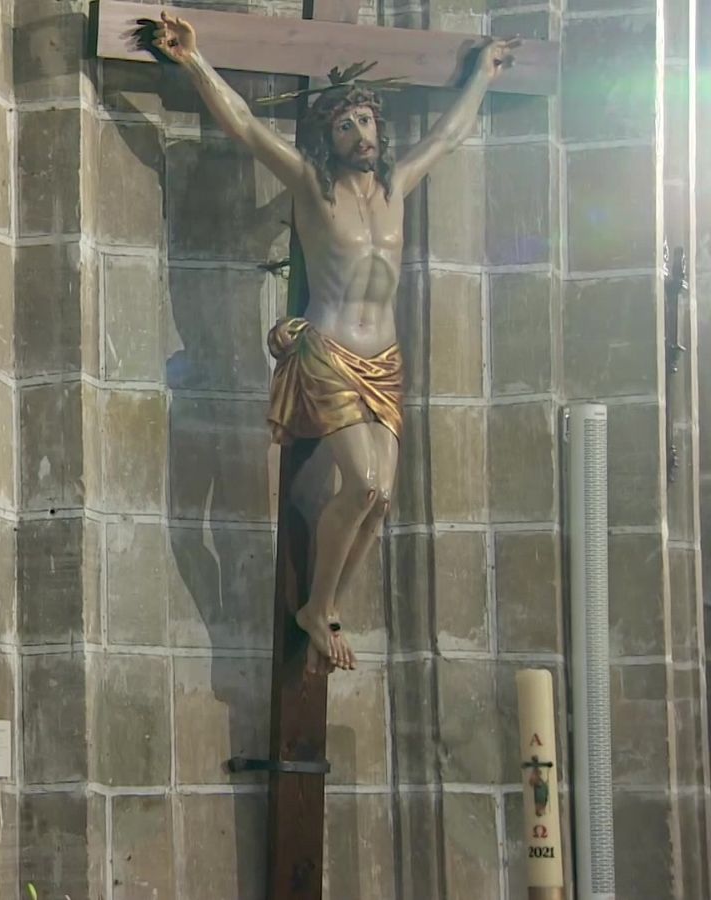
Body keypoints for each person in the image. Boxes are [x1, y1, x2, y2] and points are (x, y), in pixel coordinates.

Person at [144, 13, 518, 674]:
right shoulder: (312, 190)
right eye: (344, 126)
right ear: (329, 138)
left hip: (386, 361)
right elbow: (245, 127)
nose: (358, 134)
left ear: (378, 127)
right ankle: (315, 607)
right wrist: (195, 63)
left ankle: (326, 605)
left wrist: (482, 76)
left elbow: (450, 134)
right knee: (364, 479)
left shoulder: (395, 187)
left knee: (380, 500)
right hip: (329, 352)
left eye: (365, 122)